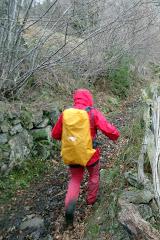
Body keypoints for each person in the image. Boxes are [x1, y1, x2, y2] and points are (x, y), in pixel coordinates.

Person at [51, 88, 120, 226]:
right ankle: (91, 200)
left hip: (73, 154)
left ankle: (70, 207)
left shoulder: (66, 114)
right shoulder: (92, 113)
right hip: (91, 155)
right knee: (94, 176)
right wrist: (116, 135)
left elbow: (55, 134)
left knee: (75, 180)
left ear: (75, 99)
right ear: (89, 98)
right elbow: (107, 128)